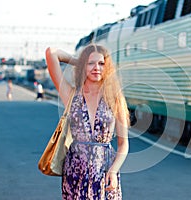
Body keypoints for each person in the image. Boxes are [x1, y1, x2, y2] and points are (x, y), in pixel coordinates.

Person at [45, 43, 130, 199]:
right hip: (75, 170)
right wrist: (80, 61)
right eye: (91, 63)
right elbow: (52, 53)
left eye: (101, 63)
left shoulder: (115, 98)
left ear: (108, 67)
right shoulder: (71, 95)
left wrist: (113, 171)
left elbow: (123, 144)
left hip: (104, 170)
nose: (96, 67)